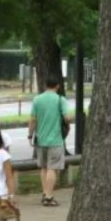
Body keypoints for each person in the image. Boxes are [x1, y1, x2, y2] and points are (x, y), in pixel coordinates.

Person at [28, 78, 73, 207]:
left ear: (45, 84)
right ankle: (48, 196)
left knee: (43, 167)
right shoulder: (60, 100)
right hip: (56, 139)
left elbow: (32, 119)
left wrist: (30, 135)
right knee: (52, 168)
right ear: (57, 86)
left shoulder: (37, 100)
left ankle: (44, 192)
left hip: (41, 139)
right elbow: (67, 118)